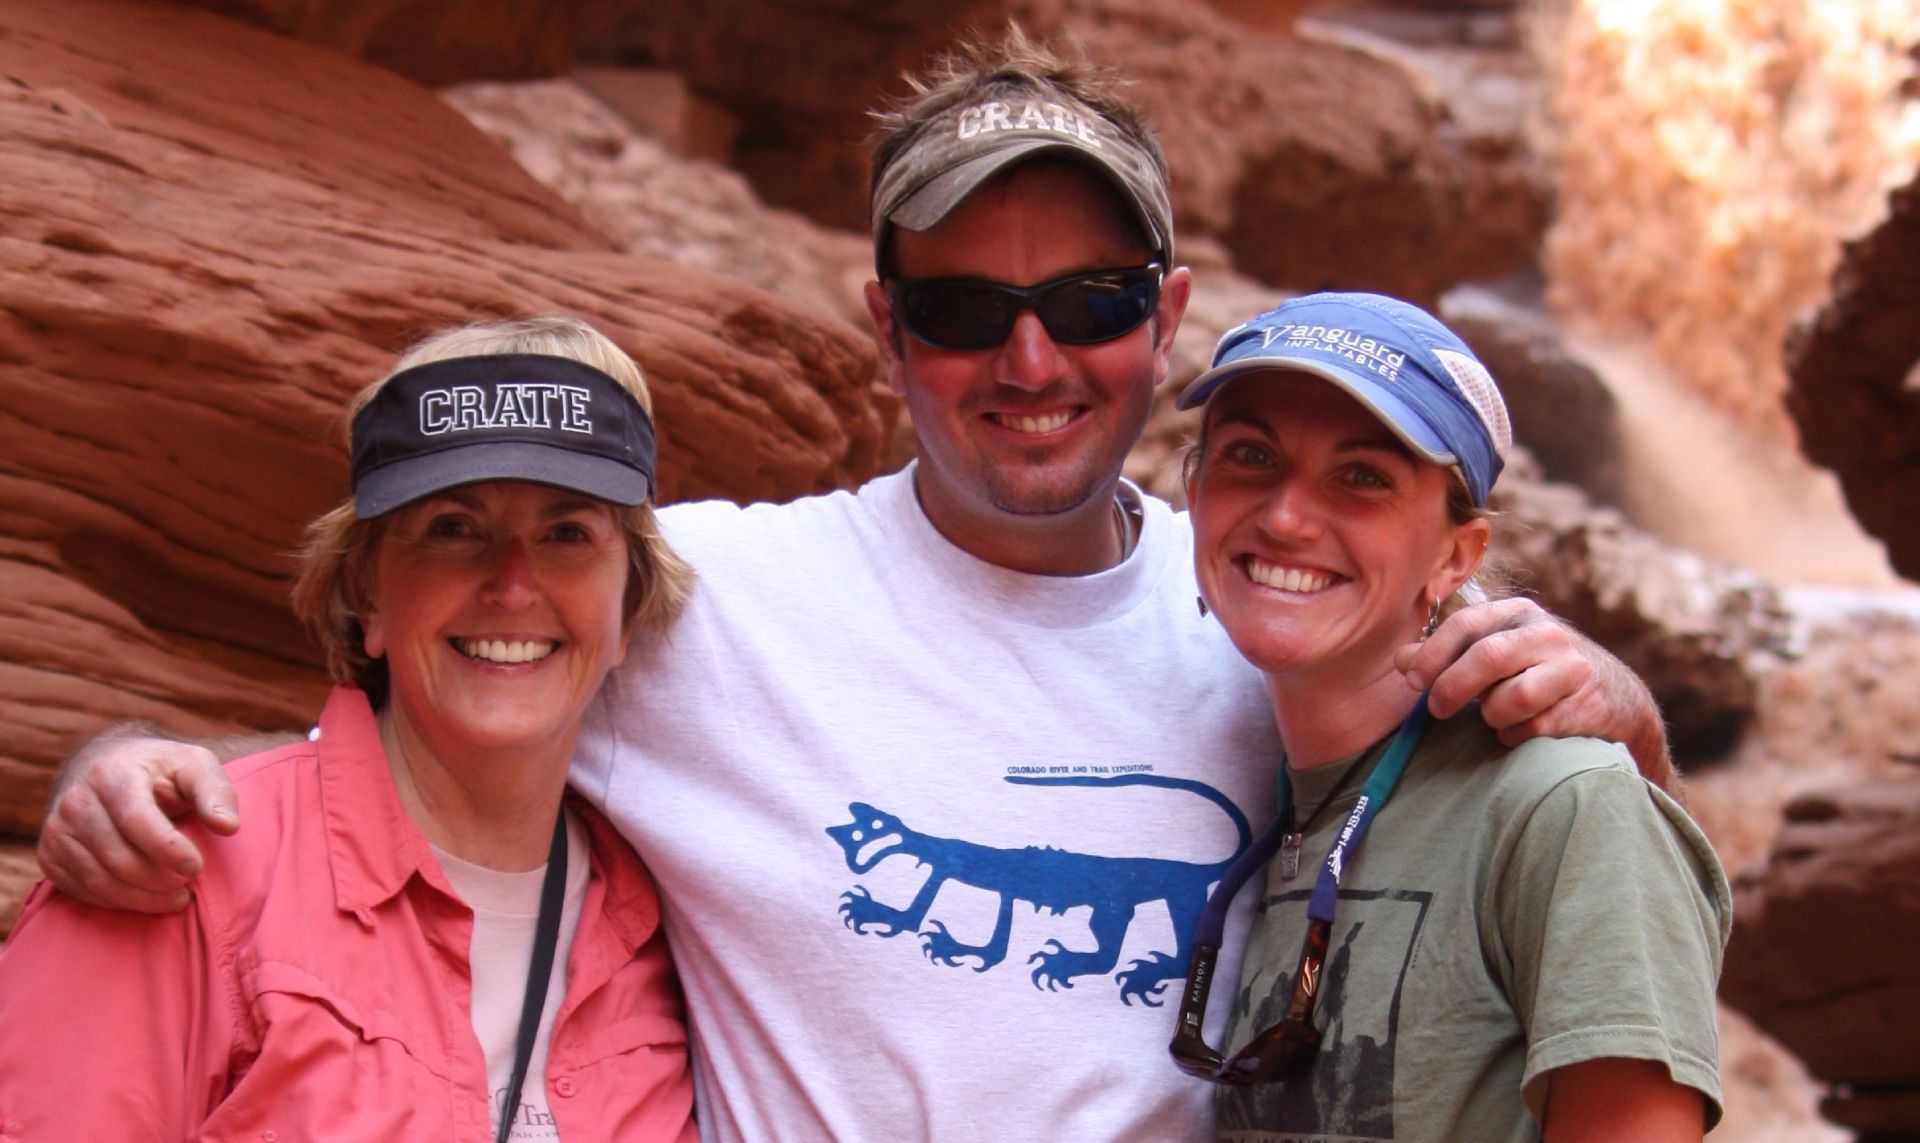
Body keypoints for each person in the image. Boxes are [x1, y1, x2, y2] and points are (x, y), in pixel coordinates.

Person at [31, 30, 1678, 1142]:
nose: (1030, 359)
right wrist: (126, 762)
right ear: (886, 328)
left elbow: (1550, 839)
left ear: (1166, 313)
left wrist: (1631, 716)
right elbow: (430, 716)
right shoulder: (709, 596)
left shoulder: (1268, 608)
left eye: (1090, 296)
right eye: (964, 310)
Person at [0, 318, 700, 1142]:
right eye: (452, 527)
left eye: (567, 534)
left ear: (628, 610)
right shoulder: (174, 873)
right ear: (367, 592)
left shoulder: (671, 916)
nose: (513, 584)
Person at [1167, 293, 1728, 1140]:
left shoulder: (1566, 804)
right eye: (1250, 454)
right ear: (1195, 490)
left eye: (1363, 476)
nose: (1285, 516)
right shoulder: (1274, 788)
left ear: (1456, 553)